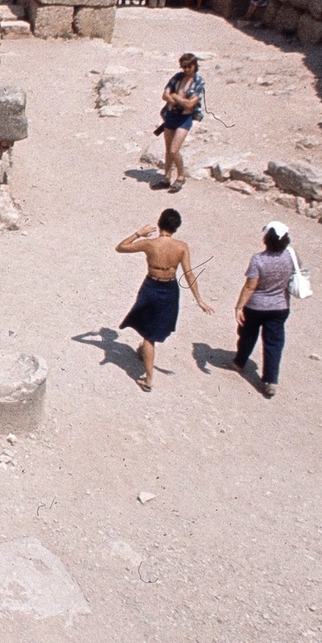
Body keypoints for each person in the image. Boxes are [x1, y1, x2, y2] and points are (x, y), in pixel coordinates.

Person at [116, 208, 214, 391]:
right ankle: (144, 351)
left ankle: (149, 379)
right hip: (170, 289)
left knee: (148, 334)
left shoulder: (150, 244)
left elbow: (120, 247)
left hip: (151, 287)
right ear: (176, 227)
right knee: (154, 328)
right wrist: (199, 299)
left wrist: (138, 233)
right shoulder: (181, 246)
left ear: (159, 223)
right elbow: (189, 274)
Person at [232, 220, 297, 398]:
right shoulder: (291, 256)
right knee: (274, 343)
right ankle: (271, 380)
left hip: (255, 306)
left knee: (247, 335)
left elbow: (250, 286)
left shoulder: (258, 260)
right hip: (280, 306)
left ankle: (239, 362)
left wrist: (239, 306)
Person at [150, 52, 206, 192]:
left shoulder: (198, 82)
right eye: (184, 67)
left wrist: (175, 97)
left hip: (184, 119)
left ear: (194, 66)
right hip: (171, 116)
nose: (186, 69)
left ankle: (181, 176)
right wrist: (179, 100)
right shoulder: (177, 77)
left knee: (174, 150)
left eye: (189, 67)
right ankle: (166, 178)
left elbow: (190, 104)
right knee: (168, 150)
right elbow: (165, 95)